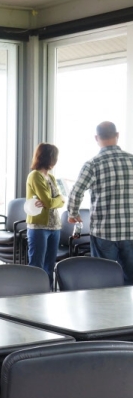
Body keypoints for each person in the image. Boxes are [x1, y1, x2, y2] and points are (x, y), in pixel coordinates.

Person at [67, 121, 133, 284]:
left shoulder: (92, 164)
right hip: (131, 231)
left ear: (97, 138)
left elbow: (76, 192)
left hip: (104, 232)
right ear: (117, 136)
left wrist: (73, 214)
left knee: (104, 280)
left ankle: (107, 309)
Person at [26, 143, 64, 289]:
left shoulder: (51, 177)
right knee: (36, 266)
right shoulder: (35, 175)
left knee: (50, 265)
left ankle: (48, 294)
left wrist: (58, 200)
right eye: (55, 157)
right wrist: (59, 200)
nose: (56, 160)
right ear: (48, 157)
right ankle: (33, 294)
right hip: (39, 226)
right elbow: (49, 202)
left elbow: (58, 201)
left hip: (55, 226)